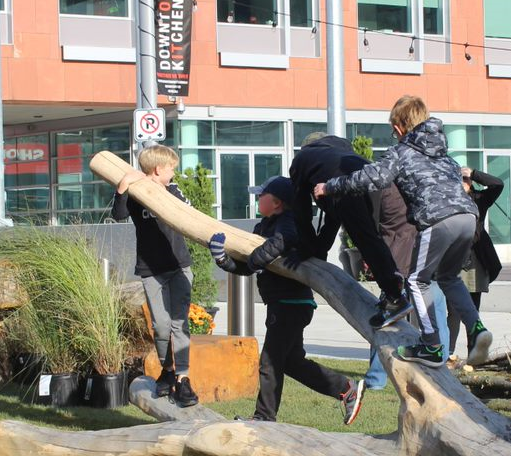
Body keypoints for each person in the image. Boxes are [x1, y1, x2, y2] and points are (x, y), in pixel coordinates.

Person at [315, 95, 492, 367]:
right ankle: (477, 329)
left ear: (398, 127)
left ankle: (432, 346)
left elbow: (373, 178)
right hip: (468, 217)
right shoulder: (444, 155)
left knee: (416, 281)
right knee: (449, 278)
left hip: (437, 219)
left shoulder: (402, 152)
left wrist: (331, 186)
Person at [208, 176, 365, 425]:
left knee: (270, 361)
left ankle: (264, 417)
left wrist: (255, 258)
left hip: (291, 304)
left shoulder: (288, 223)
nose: (258, 198)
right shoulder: (263, 227)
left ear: (277, 202)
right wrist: (222, 259)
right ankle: (346, 388)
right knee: (290, 362)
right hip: (281, 304)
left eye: (262, 195)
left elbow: (283, 242)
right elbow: (248, 267)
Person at [289, 132, 412, 329]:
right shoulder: (341, 153)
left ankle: (394, 298)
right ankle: (393, 288)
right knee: (371, 238)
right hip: (369, 178)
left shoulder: (302, 158)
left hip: (343, 184)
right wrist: (319, 250)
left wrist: (306, 249)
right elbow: (333, 217)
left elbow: (300, 210)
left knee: (365, 238)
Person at [112, 144, 198, 407]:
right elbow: (119, 215)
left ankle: (183, 380)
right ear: (158, 168)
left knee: (179, 323)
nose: (174, 172)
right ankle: (167, 370)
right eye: (171, 168)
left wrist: (162, 190)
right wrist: (124, 184)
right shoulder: (136, 192)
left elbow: (187, 211)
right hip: (151, 270)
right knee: (160, 325)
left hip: (179, 266)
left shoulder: (172, 190)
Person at [364, 184, 448, 388]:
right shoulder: (425, 183)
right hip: (425, 255)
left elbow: (371, 224)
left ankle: (376, 378)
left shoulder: (382, 186)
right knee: (435, 312)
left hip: (395, 257)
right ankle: (441, 367)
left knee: (387, 318)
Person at [448, 167, 503, 356]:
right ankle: (448, 353)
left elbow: (497, 184)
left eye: (466, 179)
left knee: (472, 309)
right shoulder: (446, 199)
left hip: (474, 261)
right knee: (453, 311)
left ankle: (474, 352)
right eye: (461, 178)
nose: (464, 182)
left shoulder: (479, 199)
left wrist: (474, 173)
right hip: (453, 259)